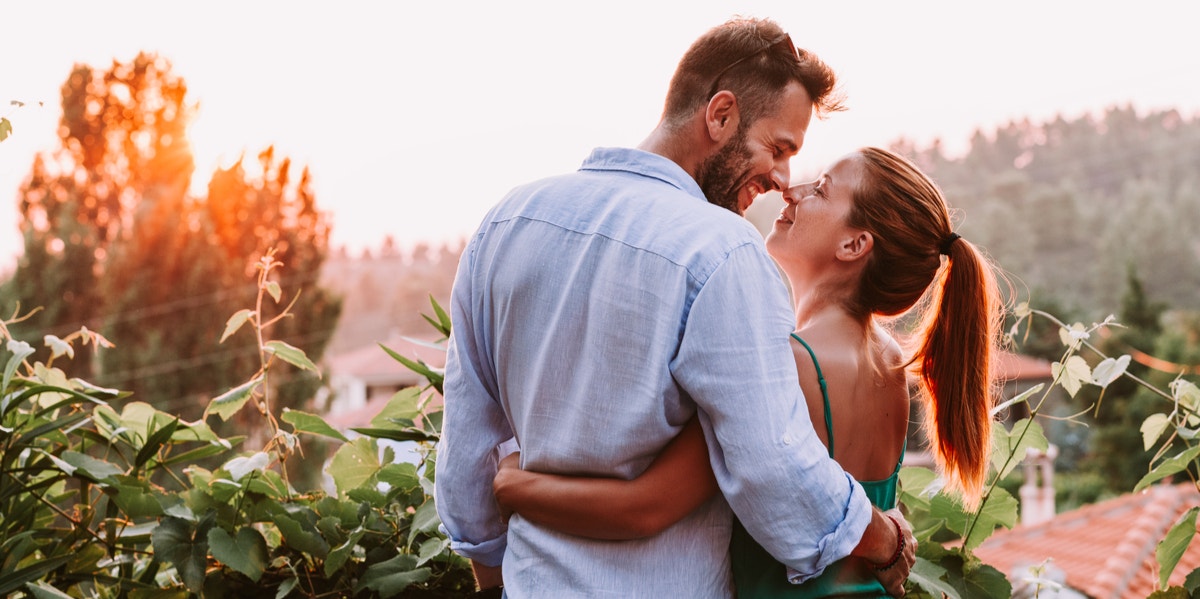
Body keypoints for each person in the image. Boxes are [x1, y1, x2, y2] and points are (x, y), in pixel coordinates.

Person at [436, 17, 916, 598]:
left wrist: (494, 577)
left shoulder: (507, 221)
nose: (783, 178)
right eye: (778, 148)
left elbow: (468, 446)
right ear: (720, 115)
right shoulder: (723, 254)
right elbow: (773, 468)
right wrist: (885, 541)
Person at [492, 146, 1006, 597]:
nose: (792, 191)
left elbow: (644, 507)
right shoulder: (889, 359)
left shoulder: (788, 363)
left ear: (855, 245)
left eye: (821, 190)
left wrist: (511, 484)